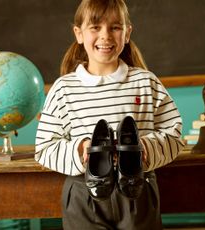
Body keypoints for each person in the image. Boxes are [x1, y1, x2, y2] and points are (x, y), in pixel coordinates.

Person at [35, 0, 184, 229]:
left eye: (115, 27)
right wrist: (81, 149)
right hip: (83, 195)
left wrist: (145, 148)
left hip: (138, 190)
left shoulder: (146, 82)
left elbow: (174, 136)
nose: (105, 35)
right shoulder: (63, 89)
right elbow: (44, 149)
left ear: (127, 33)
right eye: (95, 27)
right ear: (79, 33)